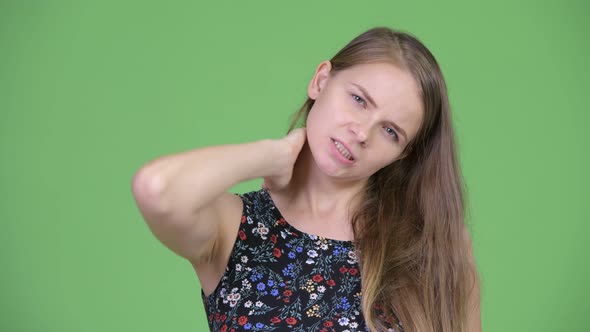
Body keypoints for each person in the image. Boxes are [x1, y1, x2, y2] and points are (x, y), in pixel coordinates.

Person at [131, 26, 481, 332]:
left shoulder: (431, 242)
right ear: (321, 80)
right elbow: (158, 189)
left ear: (403, 154)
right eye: (358, 99)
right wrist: (271, 155)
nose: (361, 132)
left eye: (390, 131)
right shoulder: (235, 226)